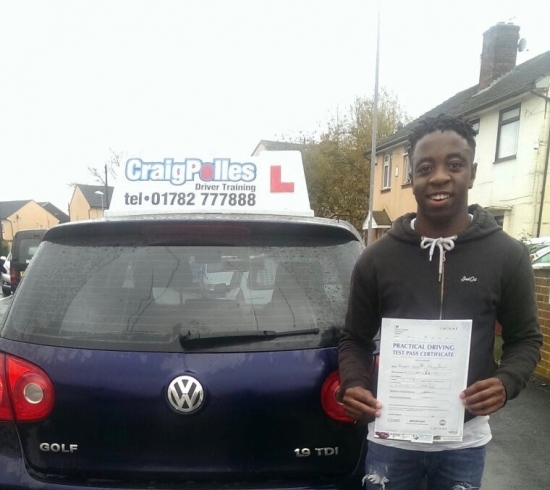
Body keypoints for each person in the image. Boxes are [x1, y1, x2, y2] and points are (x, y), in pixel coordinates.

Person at [338, 114, 543, 489]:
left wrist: (506, 382)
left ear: (472, 172)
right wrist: (353, 383)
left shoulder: (506, 255)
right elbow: (354, 338)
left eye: (454, 164)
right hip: (390, 437)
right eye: (425, 167)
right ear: (412, 176)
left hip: (464, 440)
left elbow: (526, 339)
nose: (439, 177)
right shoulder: (376, 258)